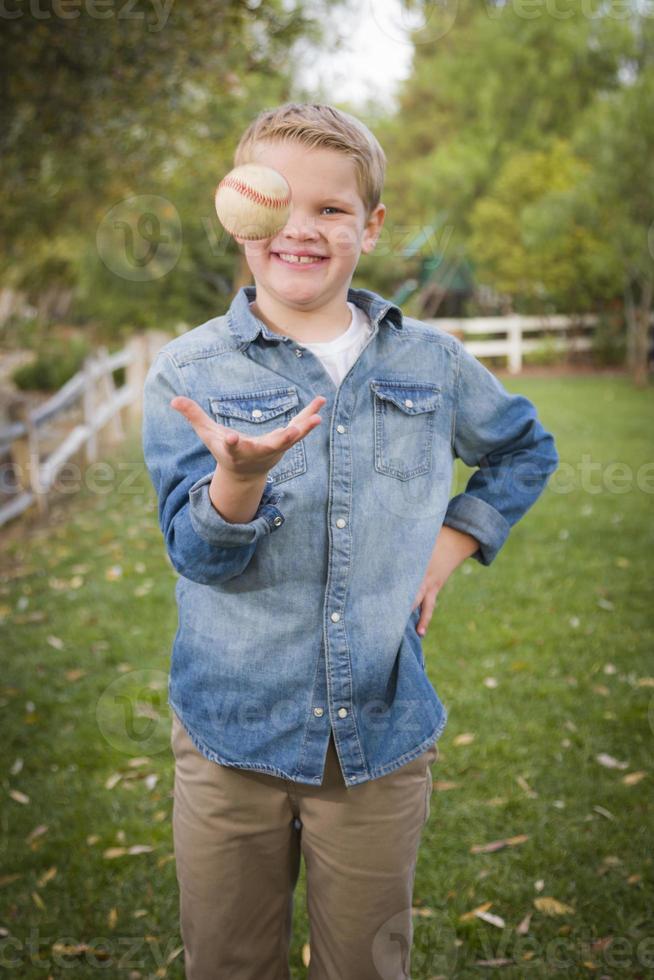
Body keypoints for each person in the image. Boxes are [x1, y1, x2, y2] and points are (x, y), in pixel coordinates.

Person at [141, 102, 559, 980]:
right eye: (278, 203)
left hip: (378, 733)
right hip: (231, 739)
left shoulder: (430, 364)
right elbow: (197, 554)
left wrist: (449, 547)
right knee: (227, 962)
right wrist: (240, 479)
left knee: (367, 965)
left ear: (370, 227)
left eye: (331, 210)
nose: (301, 227)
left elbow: (525, 447)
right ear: (235, 211)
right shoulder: (191, 371)